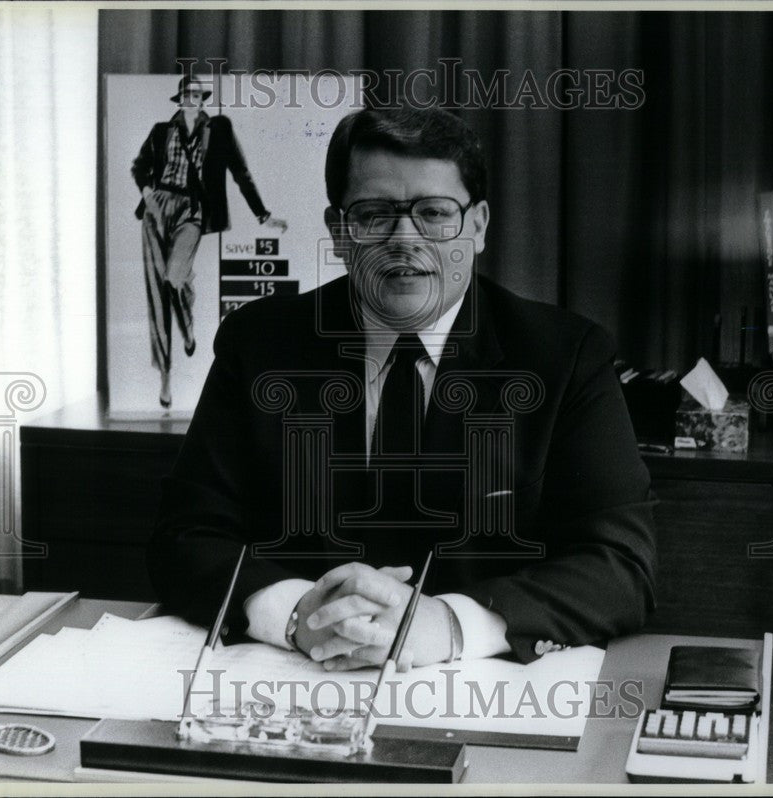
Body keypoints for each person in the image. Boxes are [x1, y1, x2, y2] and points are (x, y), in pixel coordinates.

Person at [149, 106, 656, 670]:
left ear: (479, 226)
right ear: (339, 231)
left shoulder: (565, 358)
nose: (403, 240)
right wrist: (297, 615)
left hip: (482, 694)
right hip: (291, 681)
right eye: (373, 215)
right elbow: (185, 537)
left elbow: (619, 564)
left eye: (436, 214)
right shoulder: (259, 345)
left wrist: (449, 624)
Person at [132, 76, 287, 408]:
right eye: (186, 94)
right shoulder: (162, 130)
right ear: (180, 99)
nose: (191, 99)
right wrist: (148, 193)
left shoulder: (218, 128)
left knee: (174, 278)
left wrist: (263, 215)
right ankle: (166, 376)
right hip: (156, 210)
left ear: (202, 99)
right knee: (156, 294)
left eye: (196, 94)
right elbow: (140, 166)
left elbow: (240, 171)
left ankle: (187, 325)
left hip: (192, 210)